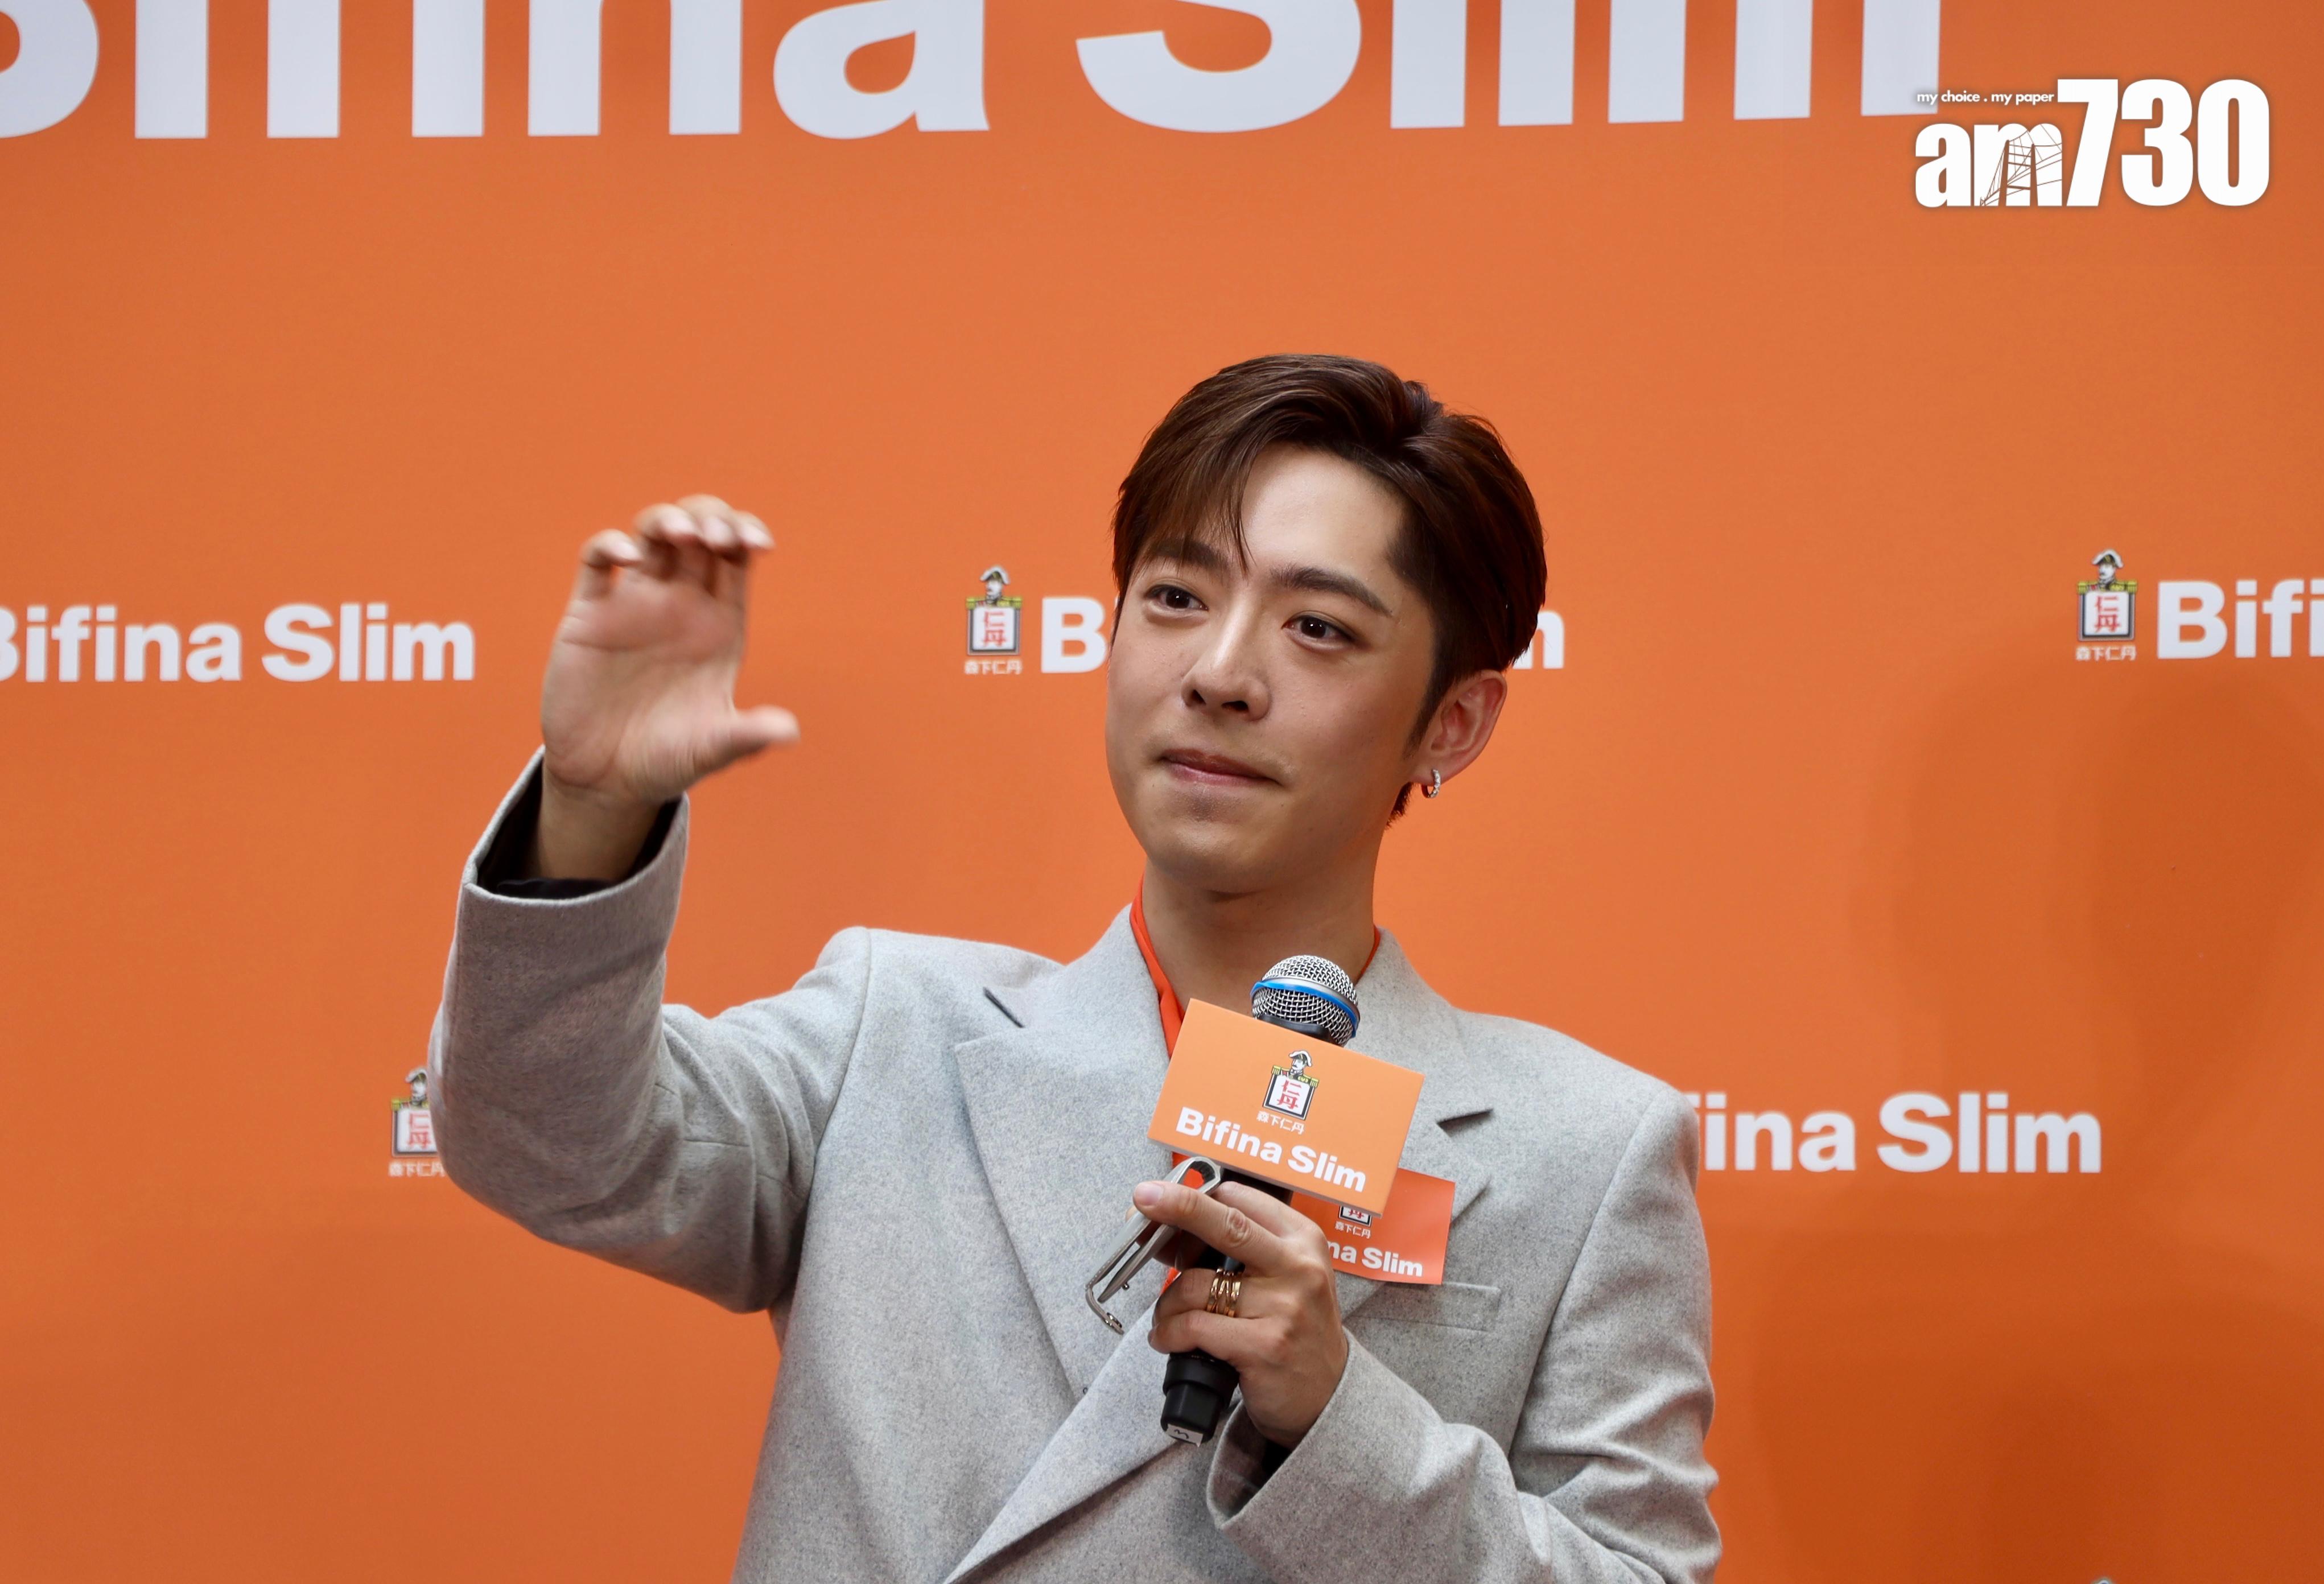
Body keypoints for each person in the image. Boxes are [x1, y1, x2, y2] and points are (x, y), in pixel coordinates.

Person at [429, 354, 1719, 1583]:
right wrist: (592, 810)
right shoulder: (894, 1031)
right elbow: (548, 1140)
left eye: (1319, 627)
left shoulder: (1584, 1151)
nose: (1220, 674)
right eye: (1177, 598)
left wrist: (1339, 1418)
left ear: (1453, 722)